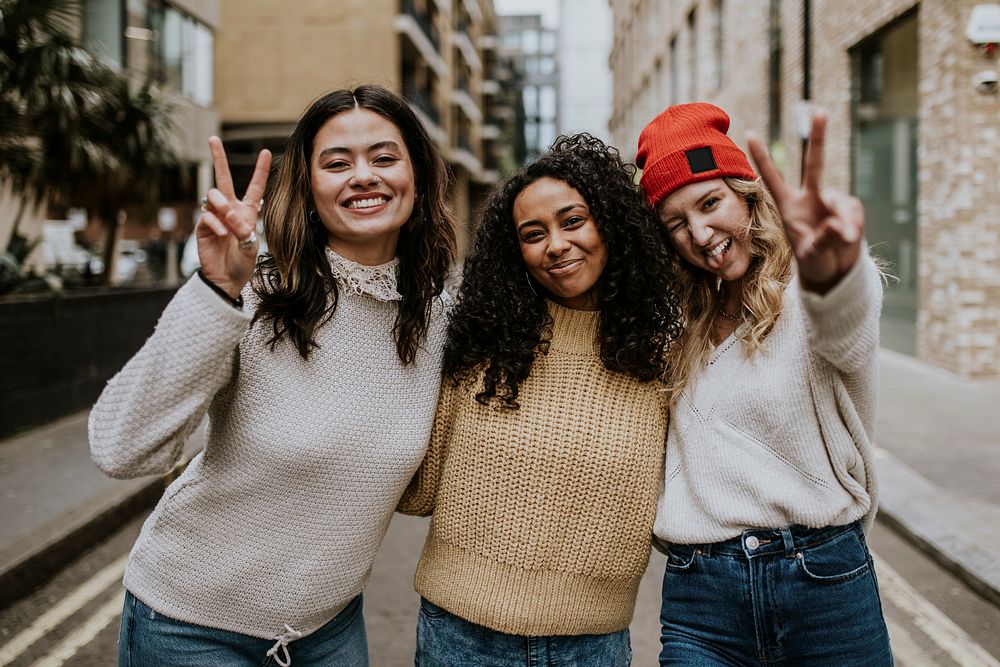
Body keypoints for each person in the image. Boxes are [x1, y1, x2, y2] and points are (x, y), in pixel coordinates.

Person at [88, 84, 456, 667]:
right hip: (191, 628)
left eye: (384, 157)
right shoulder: (258, 291)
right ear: (310, 190)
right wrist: (216, 293)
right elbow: (119, 448)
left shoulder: (436, 317)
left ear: (418, 176)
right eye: (337, 163)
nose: (363, 176)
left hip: (329, 629)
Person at [398, 134, 684, 665]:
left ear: (612, 225)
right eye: (533, 234)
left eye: (572, 221)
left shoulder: (666, 355)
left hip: (591, 644)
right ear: (516, 252)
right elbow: (417, 490)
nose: (555, 244)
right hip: (461, 635)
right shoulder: (479, 344)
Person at [635, 102, 891, 666]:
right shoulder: (674, 319)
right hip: (701, 598)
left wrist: (835, 272)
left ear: (747, 196)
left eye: (710, 203)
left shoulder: (809, 288)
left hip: (824, 585)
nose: (700, 234)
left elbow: (846, 331)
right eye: (676, 223)